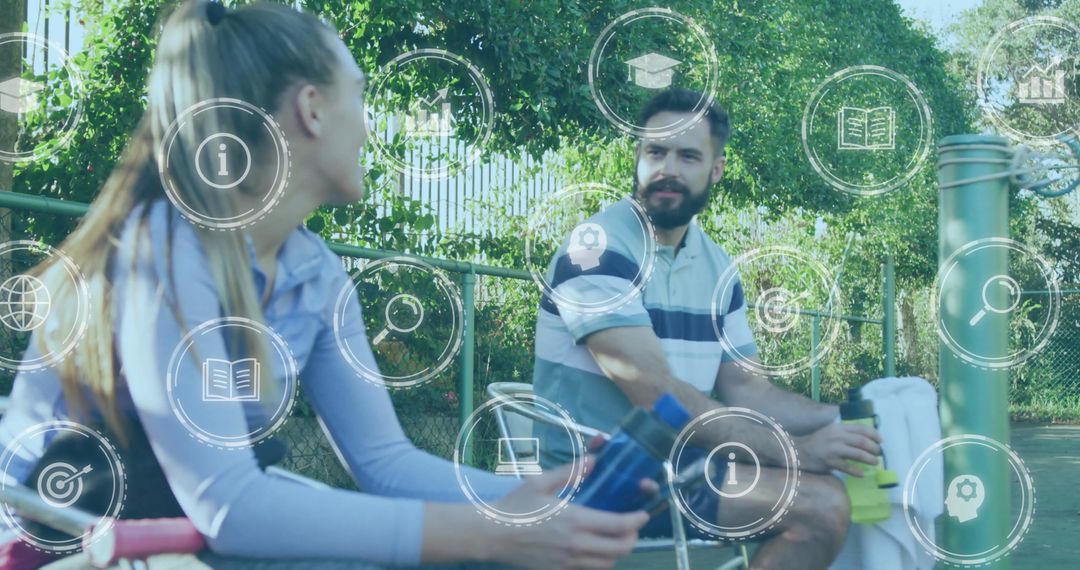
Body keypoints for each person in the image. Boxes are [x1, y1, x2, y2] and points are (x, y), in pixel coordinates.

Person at [0, 2, 648, 568]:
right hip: (51, 545)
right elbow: (228, 502)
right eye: (360, 97)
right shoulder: (162, 246)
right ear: (312, 108)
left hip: (165, 533)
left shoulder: (315, 274)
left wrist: (523, 506)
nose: (368, 126)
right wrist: (488, 533)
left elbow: (385, 463)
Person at [532, 88, 884, 570]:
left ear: (715, 169)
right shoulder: (596, 250)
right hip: (599, 478)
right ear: (637, 157)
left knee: (835, 483)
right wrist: (799, 452)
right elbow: (659, 396)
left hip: (681, 468)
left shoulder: (718, 267)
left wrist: (840, 422)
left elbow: (747, 390)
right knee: (820, 505)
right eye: (656, 151)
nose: (668, 169)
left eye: (688, 155)